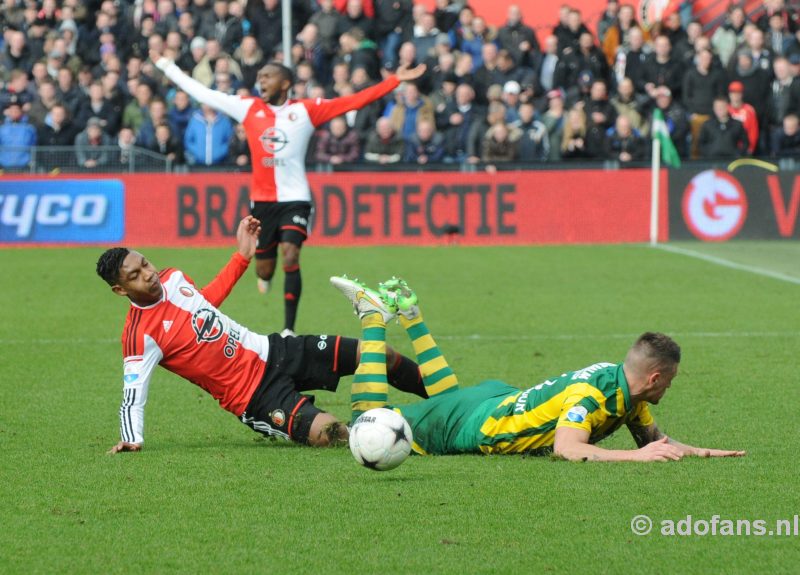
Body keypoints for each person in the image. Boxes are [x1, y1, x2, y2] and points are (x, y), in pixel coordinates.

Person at [151, 48, 425, 337]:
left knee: (291, 255)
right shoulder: (247, 107)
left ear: (285, 82)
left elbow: (352, 101)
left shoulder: (305, 110)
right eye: (259, 78)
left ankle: (288, 329)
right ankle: (265, 278)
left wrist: (394, 80)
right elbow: (203, 93)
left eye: (267, 76)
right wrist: (167, 65)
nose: (261, 82)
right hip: (263, 203)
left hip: (296, 199)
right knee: (264, 270)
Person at [98, 217, 424, 454]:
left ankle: (439, 396)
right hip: (254, 396)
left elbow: (204, 300)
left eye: (145, 263)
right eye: (135, 275)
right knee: (333, 433)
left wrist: (242, 256)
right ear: (119, 289)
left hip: (274, 350)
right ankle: (402, 442)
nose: (149, 274)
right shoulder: (139, 335)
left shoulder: (173, 277)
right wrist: (132, 437)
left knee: (380, 354)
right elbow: (133, 393)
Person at [330, 276, 746, 461]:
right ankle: (372, 315)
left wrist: (706, 452)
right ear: (654, 378)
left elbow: (656, 442)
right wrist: (636, 459)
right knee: (362, 424)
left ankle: (411, 314)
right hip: (480, 425)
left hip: (495, 398)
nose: (670, 389)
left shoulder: (625, 389)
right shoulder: (595, 395)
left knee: (444, 400)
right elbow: (569, 449)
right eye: (669, 382)